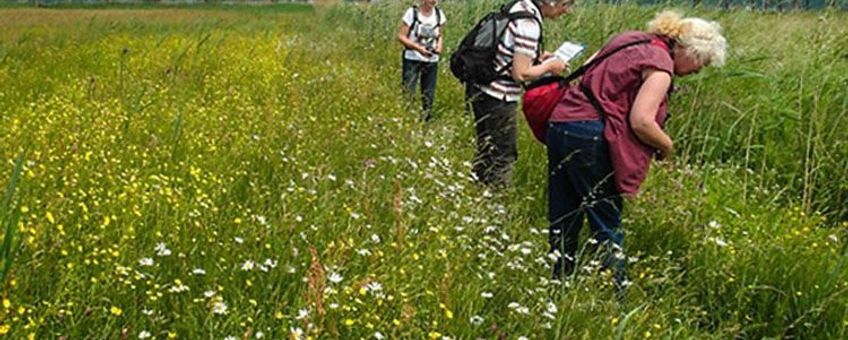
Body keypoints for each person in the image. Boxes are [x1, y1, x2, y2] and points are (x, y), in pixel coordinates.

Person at [546, 10, 727, 288]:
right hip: (591, 137)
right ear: (689, 50)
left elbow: (590, 69)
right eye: (701, 62)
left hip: (560, 124)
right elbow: (642, 120)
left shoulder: (628, 39)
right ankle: (614, 294)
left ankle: (559, 283)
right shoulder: (660, 65)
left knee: (564, 212)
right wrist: (667, 145)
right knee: (605, 219)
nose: (697, 71)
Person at [467, 0, 572, 188]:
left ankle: (474, 193)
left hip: (482, 89)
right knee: (503, 154)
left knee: (486, 149)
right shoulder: (530, 24)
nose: (567, 11)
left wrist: (537, 57)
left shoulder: (519, 6)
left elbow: (509, 50)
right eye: (565, 4)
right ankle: (495, 206)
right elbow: (520, 74)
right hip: (500, 96)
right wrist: (550, 66)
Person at [397, 0, 446, 121]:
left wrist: (439, 47)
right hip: (412, 59)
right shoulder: (412, 13)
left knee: (428, 95)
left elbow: (440, 35)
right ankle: (405, 119)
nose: (433, 1)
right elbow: (401, 36)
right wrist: (418, 48)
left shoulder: (439, 15)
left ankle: (426, 121)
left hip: (431, 60)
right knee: (409, 92)